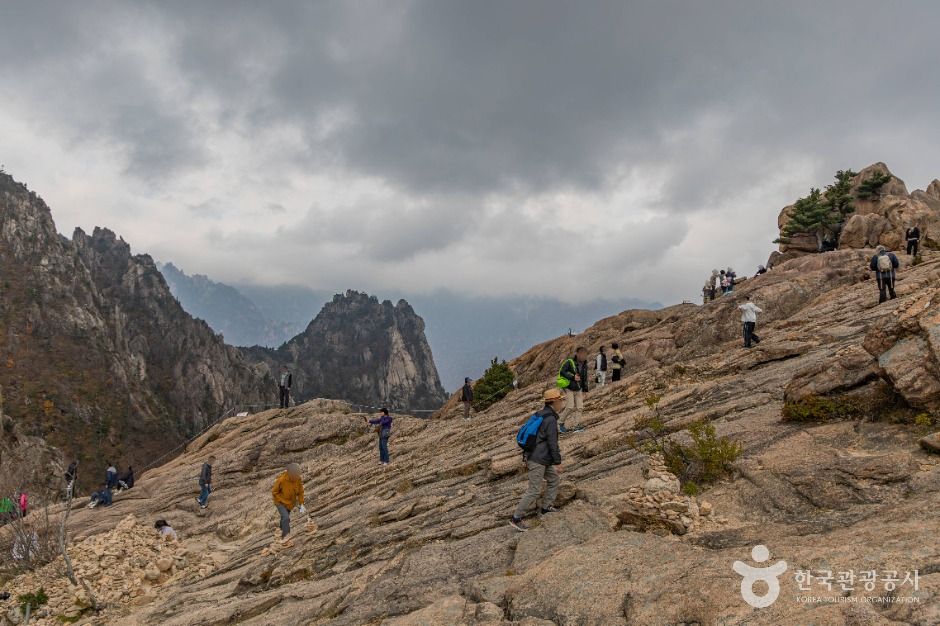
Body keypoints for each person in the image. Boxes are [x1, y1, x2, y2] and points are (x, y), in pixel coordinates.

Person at [509, 388, 565, 531]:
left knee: (553, 480)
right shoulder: (550, 419)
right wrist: (558, 462)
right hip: (538, 458)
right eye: (561, 400)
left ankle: (546, 508)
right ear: (554, 402)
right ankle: (516, 518)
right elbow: (553, 443)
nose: (562, 402)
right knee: (534, 490)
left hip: (539, 457)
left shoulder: (540, 414)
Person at [271, 463, 305, 544]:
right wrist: (282, 501)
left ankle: (280, 533)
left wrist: (301, 504)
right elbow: (274, 492)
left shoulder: (298, 479)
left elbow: (300, 492)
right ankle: (286, 538)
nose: (296, 476)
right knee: (286, 518)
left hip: (290, 503)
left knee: (284, 518)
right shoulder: (281, 480)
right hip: (280, 502)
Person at [557, 348, 588, 433]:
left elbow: (585, 377)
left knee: (580, 407)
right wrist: (572, 377)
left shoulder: (584, 364)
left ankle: (576, 426)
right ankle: (560, 423)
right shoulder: (569, 362)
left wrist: (585, 389)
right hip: (569, 388)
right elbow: (562, 372)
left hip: (579, 389)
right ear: (577, 354)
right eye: (581, 353)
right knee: (570, 407)